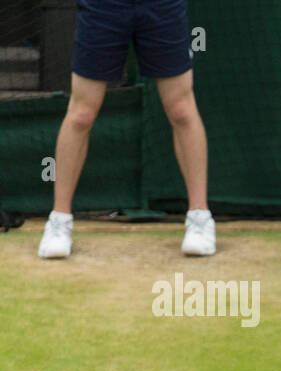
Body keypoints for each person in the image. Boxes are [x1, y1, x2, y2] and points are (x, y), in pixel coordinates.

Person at [37, 0, 214, 259]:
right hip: (103, 7)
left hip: (162, 7)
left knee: (181, 110)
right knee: (82, 115)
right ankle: (59, 221)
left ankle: (200, 218)